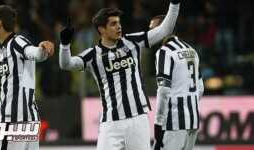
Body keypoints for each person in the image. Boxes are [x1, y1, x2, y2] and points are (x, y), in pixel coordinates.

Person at [59, 0, 181, 149]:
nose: (119, 26)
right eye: (113, 24)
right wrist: (64, 46)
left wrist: (174, 4)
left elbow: (165, 30)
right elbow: (66, 64)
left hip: (138, 119)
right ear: (101, 29)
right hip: (111, 123)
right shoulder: (92, 55)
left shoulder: (132, 42)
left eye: (119, 22)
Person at [0, 5, 54, 150]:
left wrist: (42, 48)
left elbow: (32, 52)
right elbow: (6, 94)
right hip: (29, 121)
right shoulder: (1, 54)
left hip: (14, 122)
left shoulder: (16, 42)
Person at [149, 15, 204, 150]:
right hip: (193, 119)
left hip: (174, 122)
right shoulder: (191, 50)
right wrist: (188, 105)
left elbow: (163, 90)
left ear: (165, 29)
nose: (150, 34)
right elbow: (201, 87)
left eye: (153, 29)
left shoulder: (164, 52)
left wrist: (158, 122)